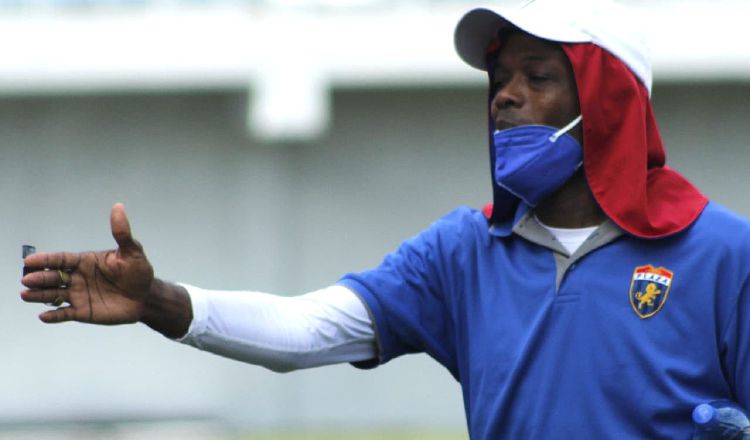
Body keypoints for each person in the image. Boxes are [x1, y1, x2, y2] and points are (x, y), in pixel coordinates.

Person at [20, 0, 750, 438]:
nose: (504, 97)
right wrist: (157, 300)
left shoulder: (722, 254)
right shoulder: (462, 254)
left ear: (611, 101)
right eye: (500, 79)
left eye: (539, 76)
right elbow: (302, 332)